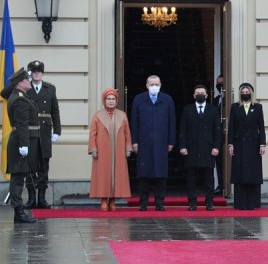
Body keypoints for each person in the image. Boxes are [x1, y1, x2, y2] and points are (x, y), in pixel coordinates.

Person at [130, 75, 176, 211]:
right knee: (143, 173)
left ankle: (159, 202)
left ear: (161, 85)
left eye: (157, 84)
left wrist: (171, 141)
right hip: (143, 142)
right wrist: (134, 141)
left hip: (162, 142)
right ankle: (143, 202)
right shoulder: (139, 99)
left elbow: (172, 122)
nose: (154, 86)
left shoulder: (167, 100)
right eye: (152, 84)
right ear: (146, 85)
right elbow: (134, 122)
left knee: (161, 173)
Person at [2, 68, 39, 223]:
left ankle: (19, 211)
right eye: (27, 80)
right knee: (17, 179)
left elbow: (5, 91)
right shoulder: (19, 99)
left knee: (19, 177)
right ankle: (19, 213)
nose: (30, 81)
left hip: (21, 140)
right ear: (20, 83)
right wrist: (24, 145)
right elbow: (22, 124)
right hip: (20, 141)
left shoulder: (20, 96)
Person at [88, 88, 132, 211]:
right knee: (103, 175)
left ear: (116, 100)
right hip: (103, 151)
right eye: (108, 99)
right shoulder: (98, 115)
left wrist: (128, 148)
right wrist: (93, 148)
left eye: (113, 99)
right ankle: (103, 200)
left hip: (118, 151)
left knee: (117, 175)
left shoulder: (122, 115)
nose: (111, 101)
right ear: (104, 100)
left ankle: (113, 201)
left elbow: (127, 133)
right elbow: (93, 133)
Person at [180, 84, 222, 211]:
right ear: (194, 95)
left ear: (207, 95)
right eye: (197, 93)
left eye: (202, 93)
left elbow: (217, 131)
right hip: (191, 148)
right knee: (191, 178)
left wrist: (216, 147)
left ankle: (209, 202)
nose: (200, 95)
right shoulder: (188, 109)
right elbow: (183, 129)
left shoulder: (213, 110)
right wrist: (182, 146)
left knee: (208, 178)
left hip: (208, 149)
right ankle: (192, 202)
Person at [25, 60, 60, 208]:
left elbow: (55, 111)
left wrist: (57, 131)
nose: (37, 74)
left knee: (44, 167)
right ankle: (32, 198)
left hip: (45, 132)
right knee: (30, 167)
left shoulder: (50, 89)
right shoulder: (25, 88)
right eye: (34, 72)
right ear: (30, 73)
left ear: (42, 73)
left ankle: (42, 199)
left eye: (39, 72)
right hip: (30, 131)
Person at [228, 83, 267, 210]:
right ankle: (240, 203)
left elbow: (261, 127)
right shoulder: (234, 107)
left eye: (247, 91)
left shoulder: (258, 107)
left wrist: (262, 144)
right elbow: (231, 127)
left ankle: (253, 203)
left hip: (253, 144)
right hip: (239, 144)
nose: (245, 93)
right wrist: (230, 144)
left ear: (251, 93)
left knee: (252, 172)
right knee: (239, 173)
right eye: (243, 91)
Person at [213, 74, 226, 196]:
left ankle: (227, 186)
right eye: (218, 84)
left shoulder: (230, 100)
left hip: (228, 134)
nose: (219, 86)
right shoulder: (216, 100)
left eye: (222, 84)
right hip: (218, 135)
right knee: (219, 161)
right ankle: (221, 185)